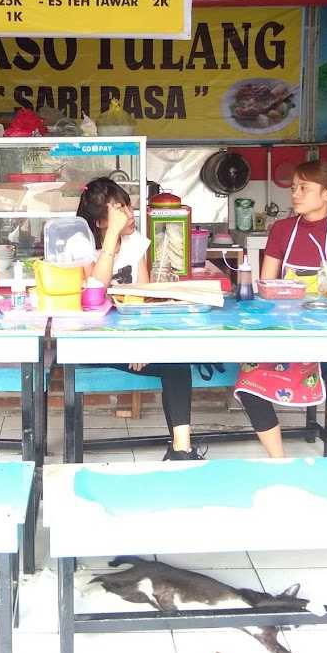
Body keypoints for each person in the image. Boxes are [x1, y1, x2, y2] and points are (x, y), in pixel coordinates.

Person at [77, 176, 202, 461]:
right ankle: (181, 449)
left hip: (131, 338)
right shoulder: (81, 245)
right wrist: (111, 239)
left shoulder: (135, 243)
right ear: (100, 221)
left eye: (128, 207)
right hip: (94, 340)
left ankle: (182, 449)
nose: (129, 215)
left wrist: (141, 342)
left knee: (176, 363)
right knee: (174, 365)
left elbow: (143, 298)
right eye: (119, 211)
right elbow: (95, 293)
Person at [235, 159, 327, 458]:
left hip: (326, 333)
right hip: (286, 330)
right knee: (249, 383)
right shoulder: (283, 229)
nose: (296, 194)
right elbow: (267, 284)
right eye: (294, 188)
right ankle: (280, 460)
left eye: (305, 188)